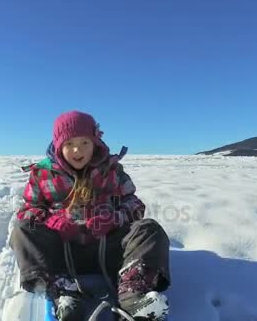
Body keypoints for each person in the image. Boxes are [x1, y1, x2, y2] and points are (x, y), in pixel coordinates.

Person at [9, 110, 171, 321]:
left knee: (149, 229)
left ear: (95, 142)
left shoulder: (112, 170)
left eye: (84, 142)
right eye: (69, 144)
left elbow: (134, 204)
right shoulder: (42, 174)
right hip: (61, 253)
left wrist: (114, 219)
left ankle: (134, 293)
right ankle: (63, 293)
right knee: (23, 230)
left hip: (109, 249)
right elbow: (28, 209)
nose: (77, 150)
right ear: (58, 146)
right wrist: (51, 220)